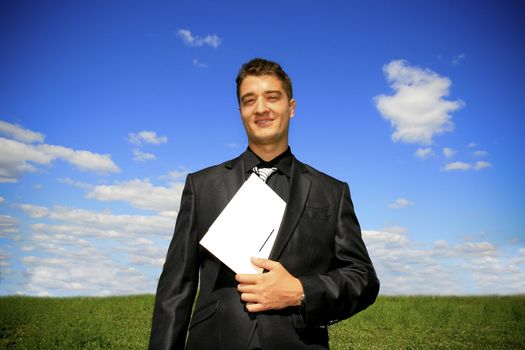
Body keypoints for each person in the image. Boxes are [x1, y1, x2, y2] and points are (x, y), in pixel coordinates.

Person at [149, 58, 379, 349]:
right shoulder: (202, 185)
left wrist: (301, 290)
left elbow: (363, 279)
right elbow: (175, 289)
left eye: (272, 97)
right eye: (249, 100)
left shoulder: (332, 192)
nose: (261, 109)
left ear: (291, 107)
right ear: (241, 111)